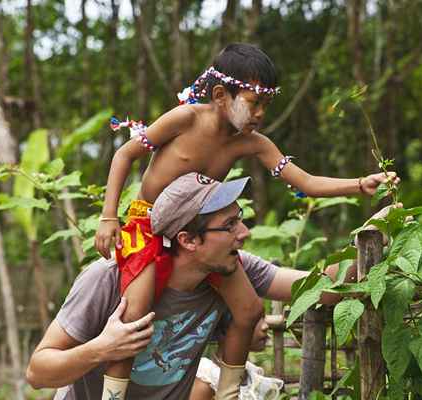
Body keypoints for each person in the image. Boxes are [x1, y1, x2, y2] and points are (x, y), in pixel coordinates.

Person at [94, 42, 398, 399]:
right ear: (221, 95)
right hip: (150, 227)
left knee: (250, 308)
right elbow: (125, 153)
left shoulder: (251, 143)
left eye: (266, 105)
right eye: (254, 103)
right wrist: (108, 215)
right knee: (136, 313)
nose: (260, 114)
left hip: (201, 237)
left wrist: (361, 185)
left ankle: (228, 394)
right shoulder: (184, 120)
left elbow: (307, 183)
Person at [28, 172, 386, 399]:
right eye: (229, 225)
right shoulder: (106, 279)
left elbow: (322, 288)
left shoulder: (233, 270)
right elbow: (38, 371)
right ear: (188, 240)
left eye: (240, 220)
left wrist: (376, 234)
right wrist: (102, 348)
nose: (243, 234)